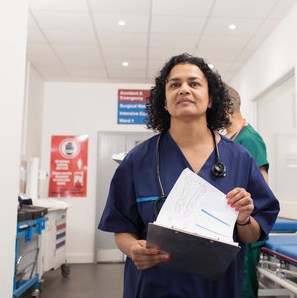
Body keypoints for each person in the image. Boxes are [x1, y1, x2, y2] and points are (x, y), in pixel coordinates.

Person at [98, 53, 279, 298]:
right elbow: (121, 228)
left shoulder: (240, 159)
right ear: (164, 100)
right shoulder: (137, 160)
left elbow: (252, 234)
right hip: (154, 287)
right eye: (174, 84)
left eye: (194, 83)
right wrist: (132, 249)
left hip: (219, 289)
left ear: (211, 98)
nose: (184, 89)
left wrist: (244, 219)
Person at [225, 85, 270, 298]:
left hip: (246, 228)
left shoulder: (248, 138)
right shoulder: (229, 138)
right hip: (229, 227)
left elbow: (262, 189)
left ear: (226, 109)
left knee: (241, 289)